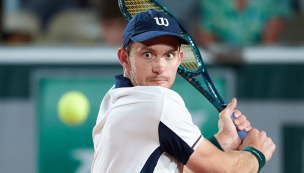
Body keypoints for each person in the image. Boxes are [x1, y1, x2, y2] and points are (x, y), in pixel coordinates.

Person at [91, 9, 275, 173]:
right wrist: (256, 152)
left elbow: (167, 165)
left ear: (180, 59)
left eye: (168, 55)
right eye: (148, 54)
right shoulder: (158, 102)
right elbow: (225, 170)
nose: (159, 67)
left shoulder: (113, 99)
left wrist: (222, 141)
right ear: (124, 58)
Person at [198, 0, 292, 46]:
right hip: (222, 64)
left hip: (259, 68)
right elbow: (205, 37)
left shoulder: (274, 2)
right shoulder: (212, 2)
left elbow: (269, 44)